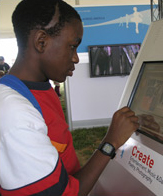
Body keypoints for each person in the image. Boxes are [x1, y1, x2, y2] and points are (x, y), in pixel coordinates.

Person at [0, 0, 139, 196]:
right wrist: (111, 142)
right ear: (41, 42)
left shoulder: (41, 90)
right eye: (72, 47)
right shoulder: (15, 114)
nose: (75, 58)